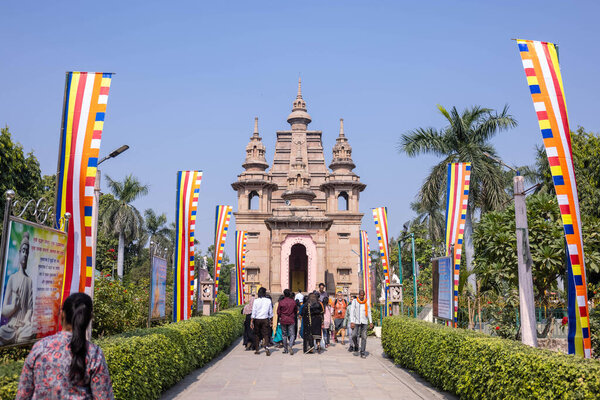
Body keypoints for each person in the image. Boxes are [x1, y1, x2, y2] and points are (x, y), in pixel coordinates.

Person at [16, 292, 114, 399]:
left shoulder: (40, 348)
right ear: (89, 318)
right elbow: (103, 396)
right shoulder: (93, 353)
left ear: (62, 314)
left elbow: (23, 394)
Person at [0, 232, 35, 345]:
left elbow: (30, 308)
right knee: (1, 331)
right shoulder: (12, 278)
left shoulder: (29, 281)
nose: (25, 254)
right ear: (19, 253)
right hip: (11, 325)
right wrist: (13, 307)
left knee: (31, 330)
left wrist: (26, 321)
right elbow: (4, 311)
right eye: (23, 251)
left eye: (27, 252)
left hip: (23, 326)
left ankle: (19, 336)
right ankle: (16, 338)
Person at [350, 290, 373, 358]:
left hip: (364, 321)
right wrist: (352, 321)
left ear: (364, 295)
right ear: (358, 295)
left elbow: (369, 312)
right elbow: (352, 312)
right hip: (356, 321)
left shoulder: (367, 301)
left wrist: (370, 321)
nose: (361, 296)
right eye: (360, 295)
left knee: (364, 337)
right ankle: (356, 345)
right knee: (354, 335)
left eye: (363, 295)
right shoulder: (355, 301)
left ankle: (362, 352)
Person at [251, 287, 273, 356]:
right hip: (265, 319)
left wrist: (251, 321)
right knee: (266, 334)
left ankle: (257, 350)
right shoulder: (268, 301)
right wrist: (271, 320)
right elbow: (270, 312)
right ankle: (266, 347)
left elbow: (254, 311)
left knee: (257, 334)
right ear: (264, 293)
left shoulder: (256, 301)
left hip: (257, 319)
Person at [277, 289, 297, 355]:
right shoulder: (293, 302)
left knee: (284, 335)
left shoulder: (281, 302)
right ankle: (290, 346)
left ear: (284, 294)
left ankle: (285, 349)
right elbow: (295, 310)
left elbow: (278, 312)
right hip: (291, 319)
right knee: (292, 334)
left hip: (283, 319)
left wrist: (281, 316)